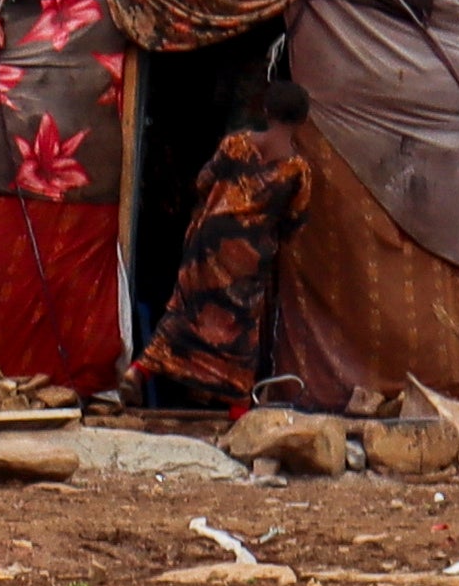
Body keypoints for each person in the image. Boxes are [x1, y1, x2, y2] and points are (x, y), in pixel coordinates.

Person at [122, 70, 316, 411]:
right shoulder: (297, 171)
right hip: (250, 257)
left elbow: (202, 182)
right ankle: (238, 410)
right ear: (302, 120)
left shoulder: (236, 144)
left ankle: (140, 372)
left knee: (185, 313)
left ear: (267, 112)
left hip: (207, 246)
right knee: (239, 333)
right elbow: (294, 224)